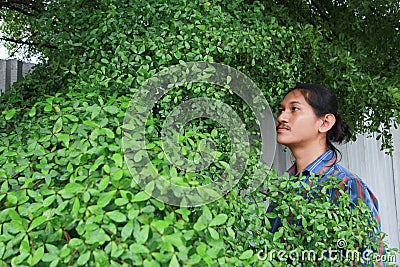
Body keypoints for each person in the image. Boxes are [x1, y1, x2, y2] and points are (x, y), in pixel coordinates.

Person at [270, 83, 384, 266]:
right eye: (282, 110)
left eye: (294, 109)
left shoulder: (347, 186)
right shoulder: (284, 187)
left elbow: (368, 260)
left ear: (325, 122)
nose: (282, 117)